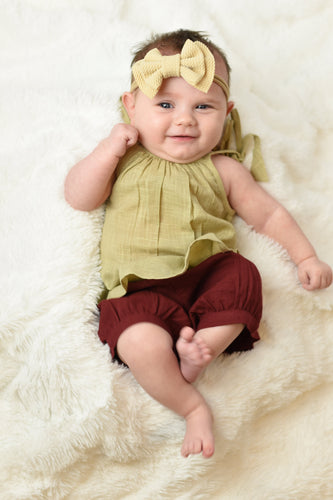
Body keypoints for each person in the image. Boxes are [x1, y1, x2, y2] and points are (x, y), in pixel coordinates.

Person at [64, 29, 332, 459]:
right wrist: (108, 150)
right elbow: (79, 196)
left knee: (243, 273)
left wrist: (305, 255)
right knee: (137, 342)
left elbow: (268, 215)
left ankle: (203, 348)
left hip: (207, 275)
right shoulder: (124, 158)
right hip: (139, 288)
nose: (185, 119)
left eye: (203, 106)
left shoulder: (224, 168)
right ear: (130, 107)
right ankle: (191, 404)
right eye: (165, 104)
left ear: (227, 113)